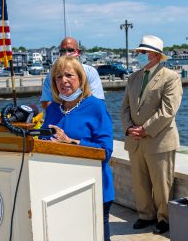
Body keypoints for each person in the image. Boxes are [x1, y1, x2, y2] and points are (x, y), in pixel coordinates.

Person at [40, 55, 114, 241]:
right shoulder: (52, 109)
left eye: (68, 75)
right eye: (57, 77)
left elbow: (105, 151)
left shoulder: (95, 106)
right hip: (59, 189)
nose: (63, 80)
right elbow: (42, 140)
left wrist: (70, 142)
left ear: (81, 79)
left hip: (93, 188)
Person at [120, 35, 183, 235]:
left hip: (159, 140)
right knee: (139, 183)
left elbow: (168, 110)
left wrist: (145, 129)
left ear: (155, 55)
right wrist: (129, 128)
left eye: (142, 52)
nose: (138, 55)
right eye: (139, 52)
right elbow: (124, 108)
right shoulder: (133, 77)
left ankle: (165, 219)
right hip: (135, 140)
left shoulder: (170, 77)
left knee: (162, 185)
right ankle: (145, 215)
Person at [40, 36, 104, 110]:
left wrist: (75, 115)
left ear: (78, 52)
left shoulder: (90, 72)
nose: (66, 53)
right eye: (63, 51)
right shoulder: (51, 74)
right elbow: (46, 101)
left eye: (70, 50)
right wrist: (60, 114)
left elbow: (98, 101)